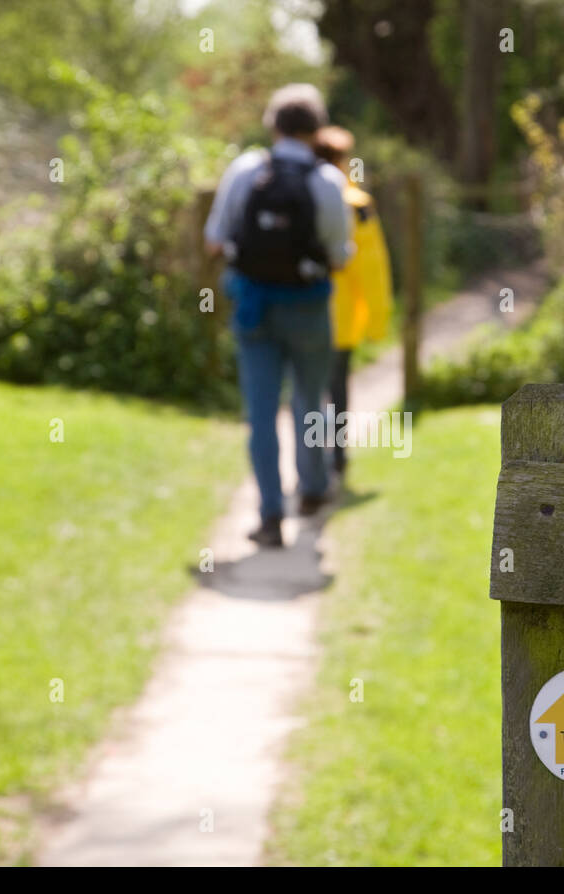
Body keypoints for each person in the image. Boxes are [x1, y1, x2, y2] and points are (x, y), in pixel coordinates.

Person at [204, 84, 354, 548]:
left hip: (253, 309)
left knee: (262, 412)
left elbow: (215, 238)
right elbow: (341, 255)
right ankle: (311, 490)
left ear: (273, 125)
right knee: (311, 400)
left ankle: (270, 516)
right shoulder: (328, 181)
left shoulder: (246, 170)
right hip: (308, 308)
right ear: (317, 130)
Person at [312, 126, 393, 478]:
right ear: (343, 160)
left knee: (307, 388)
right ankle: (338, 456)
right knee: (337, 386)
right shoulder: (357, 205)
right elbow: (372, 269)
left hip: (300, 309)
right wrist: (377, 321)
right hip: (340, 315)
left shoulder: (303, 195)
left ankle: (311, 461)